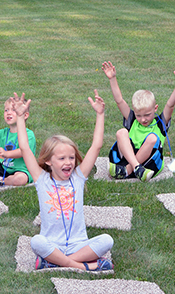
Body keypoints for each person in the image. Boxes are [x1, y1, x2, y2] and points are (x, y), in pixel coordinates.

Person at [12, 91, 114, 271]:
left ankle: (54, 263)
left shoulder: (78, 177)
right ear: (49, 161)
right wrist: (20, 117)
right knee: (37, 241)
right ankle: (84, 267)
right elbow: (24, 148)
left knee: (107, 240)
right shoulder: (42, 179)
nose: (68, 162)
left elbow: (96, 146)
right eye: (62, 159)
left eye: (71, 158)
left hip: (78, 245)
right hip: (52, 244)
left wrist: (100, 114)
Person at [102, 61, 175, 182]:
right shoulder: (132, 120)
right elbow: (119, 101)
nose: (143, 119)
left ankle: (128, 170)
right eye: (138, 115)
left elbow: (170, 105)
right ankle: (136, 168)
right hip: (130, 156)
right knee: (121, 132)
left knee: (152, 138)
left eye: (147, 115)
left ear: (155, 108)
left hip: (150, 163)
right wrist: (112, 78)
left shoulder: (160, 122)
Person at [0, 96, 36, 187]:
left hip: (20, 170)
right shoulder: (2, 133)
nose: (8, 113)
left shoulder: (29, 134)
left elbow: (23, 151)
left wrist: (6, 154)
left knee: (19, 180)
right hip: (1, 168)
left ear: (25, 115)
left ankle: (1, 181)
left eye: (13, 110)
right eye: (6, 110)